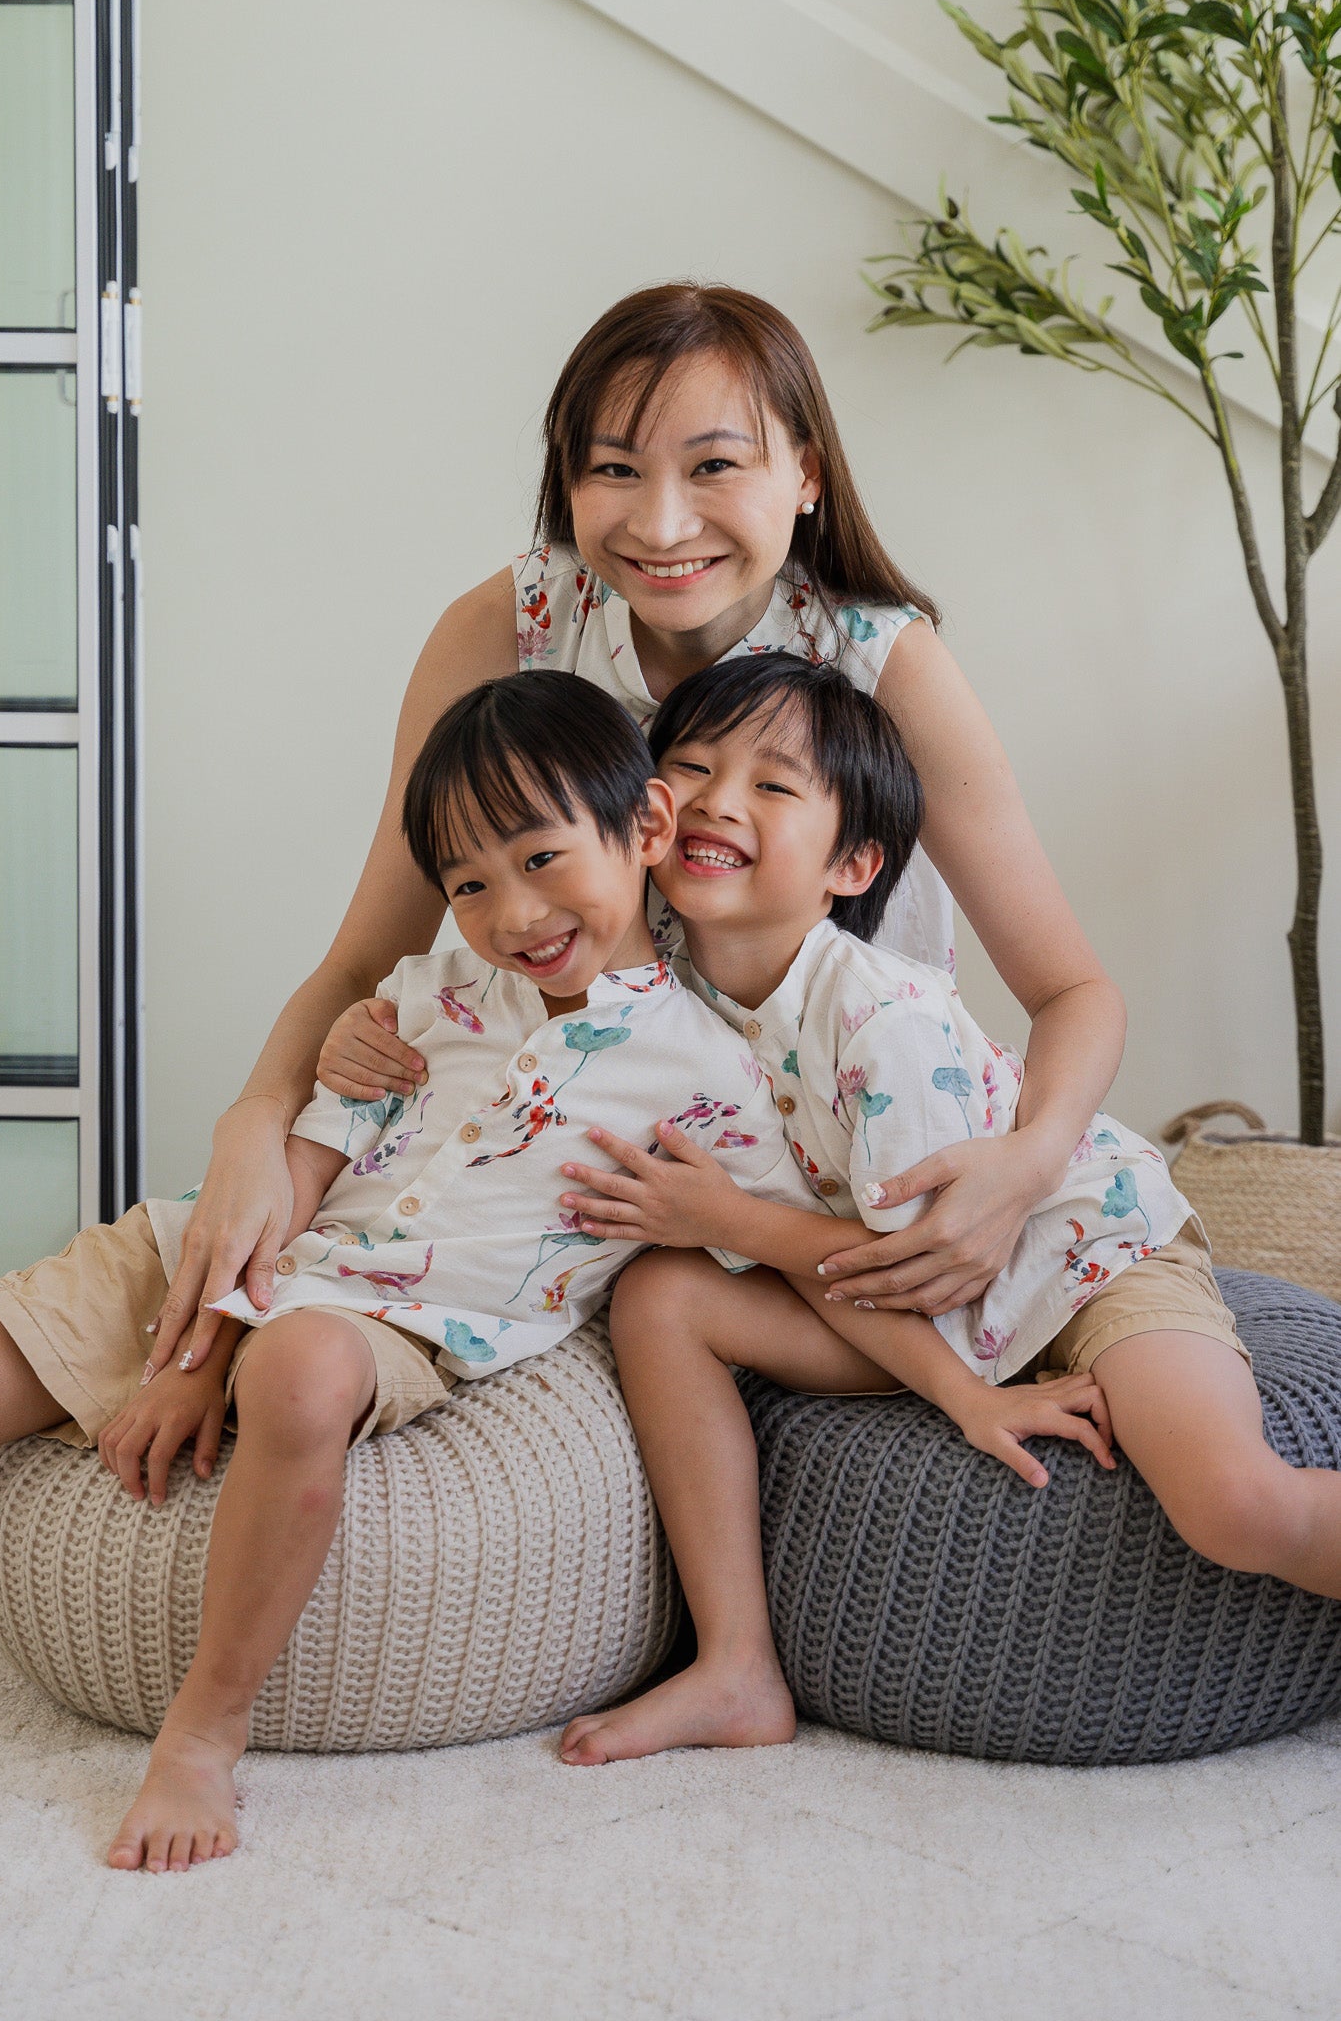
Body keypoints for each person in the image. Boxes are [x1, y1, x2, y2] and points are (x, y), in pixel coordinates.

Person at [147, 282, 1129, 1385]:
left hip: (817, 1173)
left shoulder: (879, 660)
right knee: (185, 1294)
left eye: (714, 466)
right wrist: (252, 1118)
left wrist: (1027, 1164)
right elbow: (366, 958)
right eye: (613, 469)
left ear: (806, 473)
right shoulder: (509, 628)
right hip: (572, 1155)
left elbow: (1072, 990)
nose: (660, 526)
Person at [0, 671, 835, 1872]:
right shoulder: (423, 999)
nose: (512, 911)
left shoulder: (712, 1076)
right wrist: (197, 1345)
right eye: (468, 885)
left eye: (541, 857)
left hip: (388, 1319)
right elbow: (301, 1175)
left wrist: (959, 1369)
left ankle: (203, 1733)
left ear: (646, 826)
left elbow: (807, 1263)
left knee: (301, 1371)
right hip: (219, 1251)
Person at [551, 656, 1341, 1768]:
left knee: (1233, 1504)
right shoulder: (664, 995)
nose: (719, 800)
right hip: (906, 1304)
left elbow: (923, 1266)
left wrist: (724, 1218)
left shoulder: (880, 1019)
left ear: (852, 864)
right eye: (690, 768)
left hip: (1078, 1259)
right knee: (659, 1296)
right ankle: (734, 1664)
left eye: (772, 785)